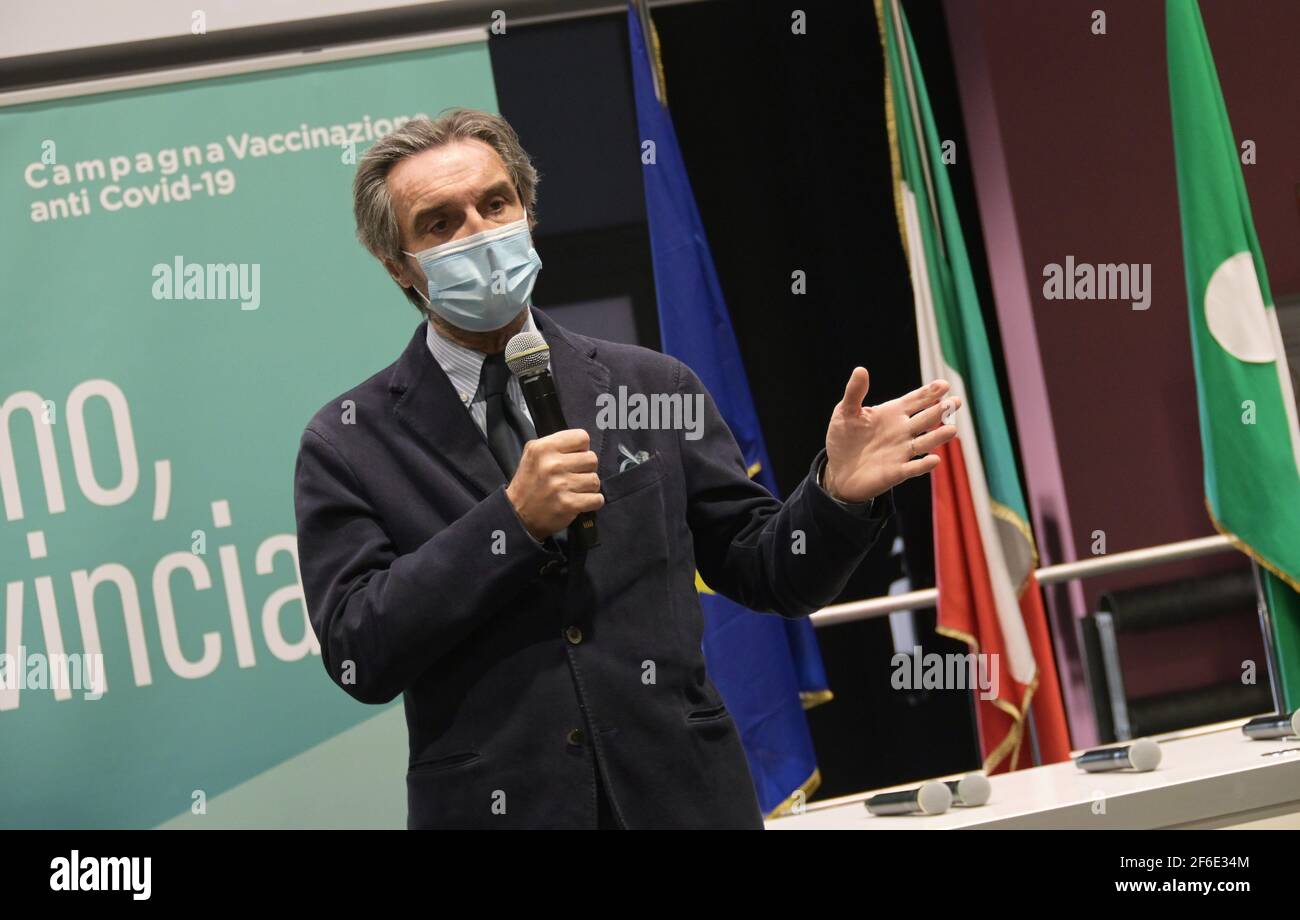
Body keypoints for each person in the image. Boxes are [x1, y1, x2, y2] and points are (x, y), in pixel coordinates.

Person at [293, 107, 960, 828]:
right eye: (440, 224)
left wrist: (832, 495)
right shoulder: (348, 442)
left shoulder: (651, 388)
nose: (481, 234)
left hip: (685, 799)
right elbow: (359, 650)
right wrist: (510, 524)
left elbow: (768, 571)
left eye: (495, 204)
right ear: (398, 265)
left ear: (528, 212)